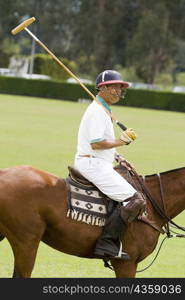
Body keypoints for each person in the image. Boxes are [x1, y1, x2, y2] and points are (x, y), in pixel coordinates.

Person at [74, 70, 146, 260]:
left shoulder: (104, 110)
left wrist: (118, 156)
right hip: (92, 163)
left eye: (120, 88)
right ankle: (106, 243)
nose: (118, 92)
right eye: (114, 87)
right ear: (103, 88)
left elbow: (103, 143)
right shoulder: (97, 111)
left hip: (99, 161)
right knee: (135, 200)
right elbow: (96, 143)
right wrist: (121, 141)